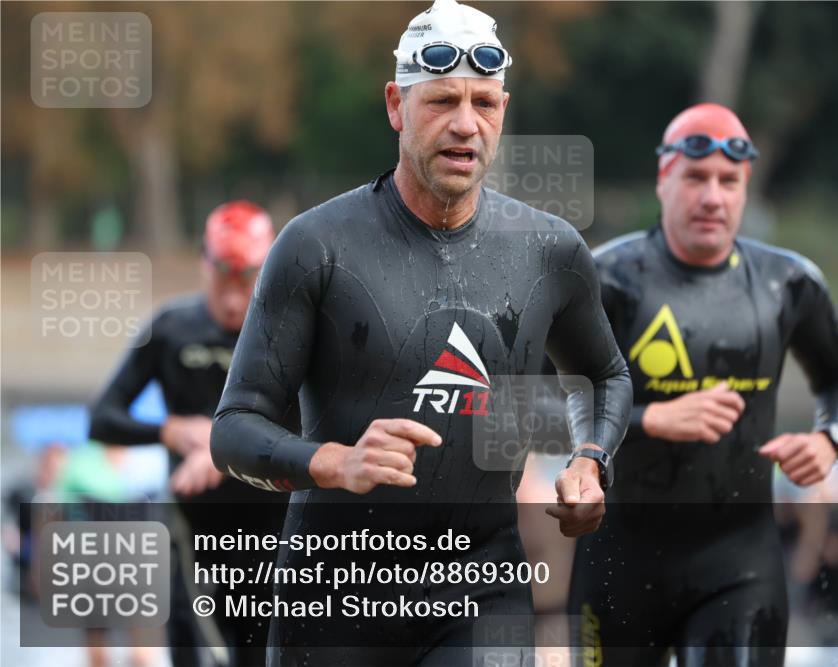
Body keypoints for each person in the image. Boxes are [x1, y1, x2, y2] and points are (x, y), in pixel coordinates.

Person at [210, 1, 631, 664]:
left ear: (504, 108)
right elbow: (234, 428)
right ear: (395, 106)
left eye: (484, 104)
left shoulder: (550, 250)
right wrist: (334, 461)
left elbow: (605, 376)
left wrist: (590, 459)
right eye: (441, 101)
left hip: (482, 585)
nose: (466, 125)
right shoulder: (316, 246)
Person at [567, 103, 838, 667]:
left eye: (728, 182)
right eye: (695, 178)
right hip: (619, 561)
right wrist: (650, 420)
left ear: (745, 188)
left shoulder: (789, 283)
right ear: (664, 180)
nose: (713, 197)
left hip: (739, 564)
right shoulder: (604, 279)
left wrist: (829, 439)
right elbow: (520, 404)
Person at [89, 200, 288, 667]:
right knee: (191, 651)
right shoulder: (170, 328)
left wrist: (223, 449)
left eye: (247, 279)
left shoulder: (288, 333)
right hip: (190, 536)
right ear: (203, 264)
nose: (234, 298)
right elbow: (101, 418)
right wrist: (170, 431)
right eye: (223, 278)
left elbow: (312, 428)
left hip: (269, 536)